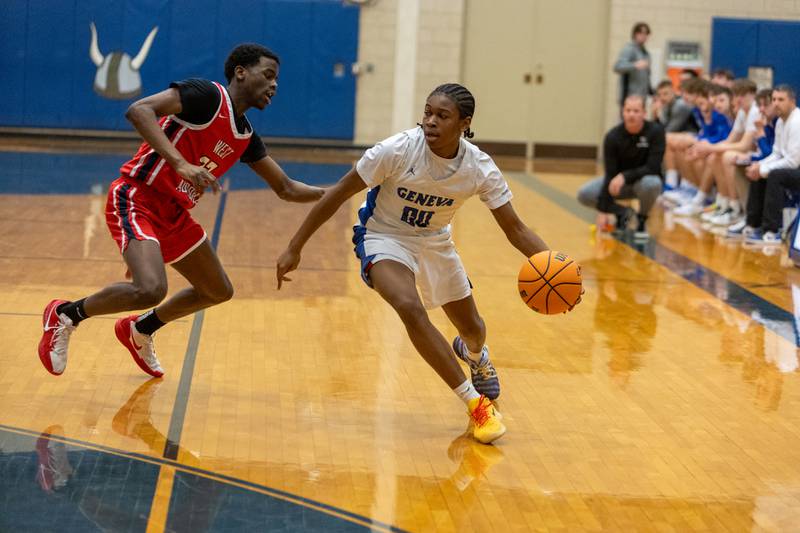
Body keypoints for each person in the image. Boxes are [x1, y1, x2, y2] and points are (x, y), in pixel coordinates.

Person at [275, 83, 570, 444]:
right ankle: (476, 405)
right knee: (409, 306)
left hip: (435, 241)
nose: (430, 121)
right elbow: (338, 193)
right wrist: (295, 245)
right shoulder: (396, 150)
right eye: (427, 112)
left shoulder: (478, 167)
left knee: (473, 328)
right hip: (384, 236)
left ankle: (475, 355)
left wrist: (556, 268)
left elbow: (516, 228)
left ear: (464, 123)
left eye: (441, 116)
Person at [38, 43, 324, 377]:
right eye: (269, 75)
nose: (275, 85)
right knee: (150, 289)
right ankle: (66, 314)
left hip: (173, 215)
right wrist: (180, 163)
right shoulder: (206, 96)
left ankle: (140, 329)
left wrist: (341, 190)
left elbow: (287, 188)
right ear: (241, 72)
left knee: (217, 290)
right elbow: (139, 110)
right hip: (137, 197)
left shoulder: (245, 135)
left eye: (278, 79)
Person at [577, 95, 665, 240]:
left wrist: (624, 176)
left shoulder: (656, 132)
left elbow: (653, 167)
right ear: (622, 112)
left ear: (644, 113)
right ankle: (623, 213)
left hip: (642, 183)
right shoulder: (612, 137)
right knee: (584, 194)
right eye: (628, 110)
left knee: (653, 183)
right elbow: (610, 174)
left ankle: (642, 218)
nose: (631, 114)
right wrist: (603, 210)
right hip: (618, 184)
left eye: (636, 111)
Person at [743, 85, 800, 244]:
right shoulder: (781, 122)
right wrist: (759, 166)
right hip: (793, 169)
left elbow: (793, 161)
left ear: (792, 102)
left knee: (774, 175)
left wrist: (764, 170)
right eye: (774, 99)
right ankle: (754, 224)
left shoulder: (797, 121)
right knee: (758, 168)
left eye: (781, 99)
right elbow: (776, 153)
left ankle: (772, 230)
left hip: (797, 168)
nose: (776, 103)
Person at [613, 22, 653, 108]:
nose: (644, 36)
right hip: (629, 97)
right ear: (635, 34)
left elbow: (646, 77)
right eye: (641, 33)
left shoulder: (645, 53)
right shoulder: (629, 49)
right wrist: (634, 65)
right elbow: (617, 66)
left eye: (646, 33)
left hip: (641, 98)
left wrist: (651, 92)